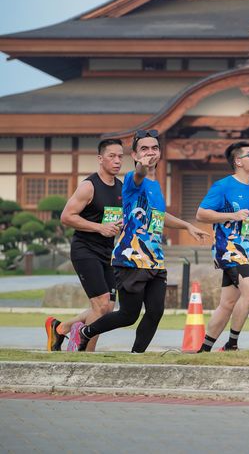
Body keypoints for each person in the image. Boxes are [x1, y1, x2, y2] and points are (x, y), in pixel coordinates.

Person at [76, 129, 210, 352]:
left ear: (160, 152)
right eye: (144, 149)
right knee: (128, 315)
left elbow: (159, 216)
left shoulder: (156, 186)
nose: (150, 152)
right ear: (135, 155)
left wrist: (187, 226)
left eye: (154, 148)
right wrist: (142, 166)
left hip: (155, 259)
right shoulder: (132, 180)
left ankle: (137, 355)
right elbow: (139, 173)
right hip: (131, 259)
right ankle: (86, 332)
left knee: (156, 311)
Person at [45, 139, 124, 352]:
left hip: (107, 252)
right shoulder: (89, 186)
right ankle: (86, 354)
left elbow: (114, 218)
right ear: (100, 158)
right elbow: (67, 216)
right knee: (101, 304)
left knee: (108, 308)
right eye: (112, 156)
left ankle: (61, 328)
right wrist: (100, 228)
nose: (117, 161)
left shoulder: (121, 188)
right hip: (85, 250)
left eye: (120, 156)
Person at [195, 141, 249, 352]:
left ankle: (204, 349)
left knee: (227, 303)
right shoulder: (223, 186)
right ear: (238, 161)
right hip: (228, 249)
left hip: (245, 251)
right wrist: (232, 215)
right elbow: (201, 214)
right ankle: (232, 344)